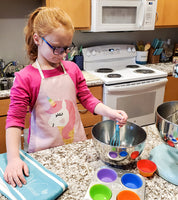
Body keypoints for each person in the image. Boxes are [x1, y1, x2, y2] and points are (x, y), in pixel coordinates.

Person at [4, 7, 128, 188]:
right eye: (57, 48)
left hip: (74, 147)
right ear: (37, 39)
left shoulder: (72, 69)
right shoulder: (26, 78)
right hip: (44, 155)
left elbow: (88, 99)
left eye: (66, 48)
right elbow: (15, 121)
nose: (63, 54)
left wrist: (110, 112)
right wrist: (13, 159)